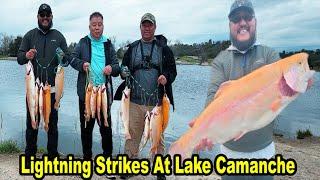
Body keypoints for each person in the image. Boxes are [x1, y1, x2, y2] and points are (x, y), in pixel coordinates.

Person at [197, 0, 280, 179]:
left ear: (255, 21)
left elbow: (279, 92)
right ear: (230, 25)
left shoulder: (270, 55)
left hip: (264, 158)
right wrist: (205, 127)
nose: (242, 22)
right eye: (236, 18)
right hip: (229, 159)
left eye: (247, 17)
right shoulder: (220, 60)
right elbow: (212, 96)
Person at [115, 13, 177, 180]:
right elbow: (123, 71)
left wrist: (166, 77)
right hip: (134, 101)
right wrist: (124, 72)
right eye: (144, 25)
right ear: (140, 27)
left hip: (156, 103)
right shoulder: (132, 49)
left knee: (158, 138)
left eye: (150, 25)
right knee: (132, 135)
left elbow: (173, 71)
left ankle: (159, 169)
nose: (147, 28)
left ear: (155, 27)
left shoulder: (164, 50)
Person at [17, 3, 71, 161]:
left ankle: (52, 156)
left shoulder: (59, 36)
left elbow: (67, 61)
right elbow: (20, 58)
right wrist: (26, 55)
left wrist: (62, 57)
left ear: (52, 17)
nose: (45, 18)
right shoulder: (29, 36)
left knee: (52, 125)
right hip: (33, 90)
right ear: (38, 17)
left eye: (48, 15)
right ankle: (29, 155)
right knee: (31, 123)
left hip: (52, 90)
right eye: (42, 15)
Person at [69, 12, 120, 164]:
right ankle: (87, 160)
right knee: (86, 129)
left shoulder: (108, 44)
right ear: (89, 26)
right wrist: (81, 65)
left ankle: (107, 161)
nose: (97, 28)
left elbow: (117, 66)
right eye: (94, 25)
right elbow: (72, 59)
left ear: (103, 26)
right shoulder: (83, 42)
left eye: (99, 25)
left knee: (106, 128)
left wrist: (111, 68)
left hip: (104, 93)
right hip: (87, 93)